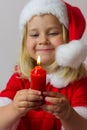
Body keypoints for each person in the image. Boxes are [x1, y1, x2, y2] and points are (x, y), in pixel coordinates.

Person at [0, 0, 87, 130]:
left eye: (52, 33)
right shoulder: (20, 79)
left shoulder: (78, 82)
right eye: (35, 34)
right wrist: (14, 108)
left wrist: (68, 114)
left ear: (67, 38)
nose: (42, 41)